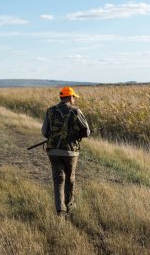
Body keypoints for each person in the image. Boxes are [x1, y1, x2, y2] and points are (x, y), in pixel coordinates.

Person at [41, 86, 90, 217]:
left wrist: (55, 137)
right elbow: (87, 131)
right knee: (70, 179)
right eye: (73, 97)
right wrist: (76, 135)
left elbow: (45, 132)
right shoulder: (76, 111)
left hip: (53, 152)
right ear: (69, 97)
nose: (74, 99)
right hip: (70, 152)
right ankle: (69, 206)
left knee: (58, 180)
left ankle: (60, 210)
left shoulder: (50, 111)